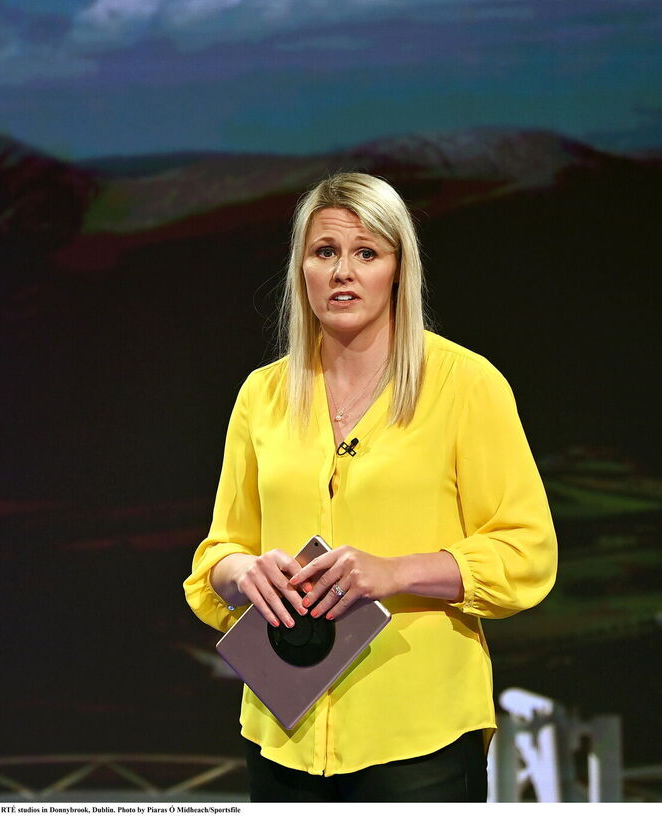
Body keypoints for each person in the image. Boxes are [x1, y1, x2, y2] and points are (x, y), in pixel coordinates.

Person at [183, 172, 557, 802]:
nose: (343, 273)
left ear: (398, 270)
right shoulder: (262, 395)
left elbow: (526, 553)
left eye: (366, 253)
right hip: (283, 732)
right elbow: (217, 554)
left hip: (419, 738)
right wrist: (243, 573)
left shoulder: (466, 385)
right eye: (324, 252)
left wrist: (394, 572)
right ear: (301, 269)